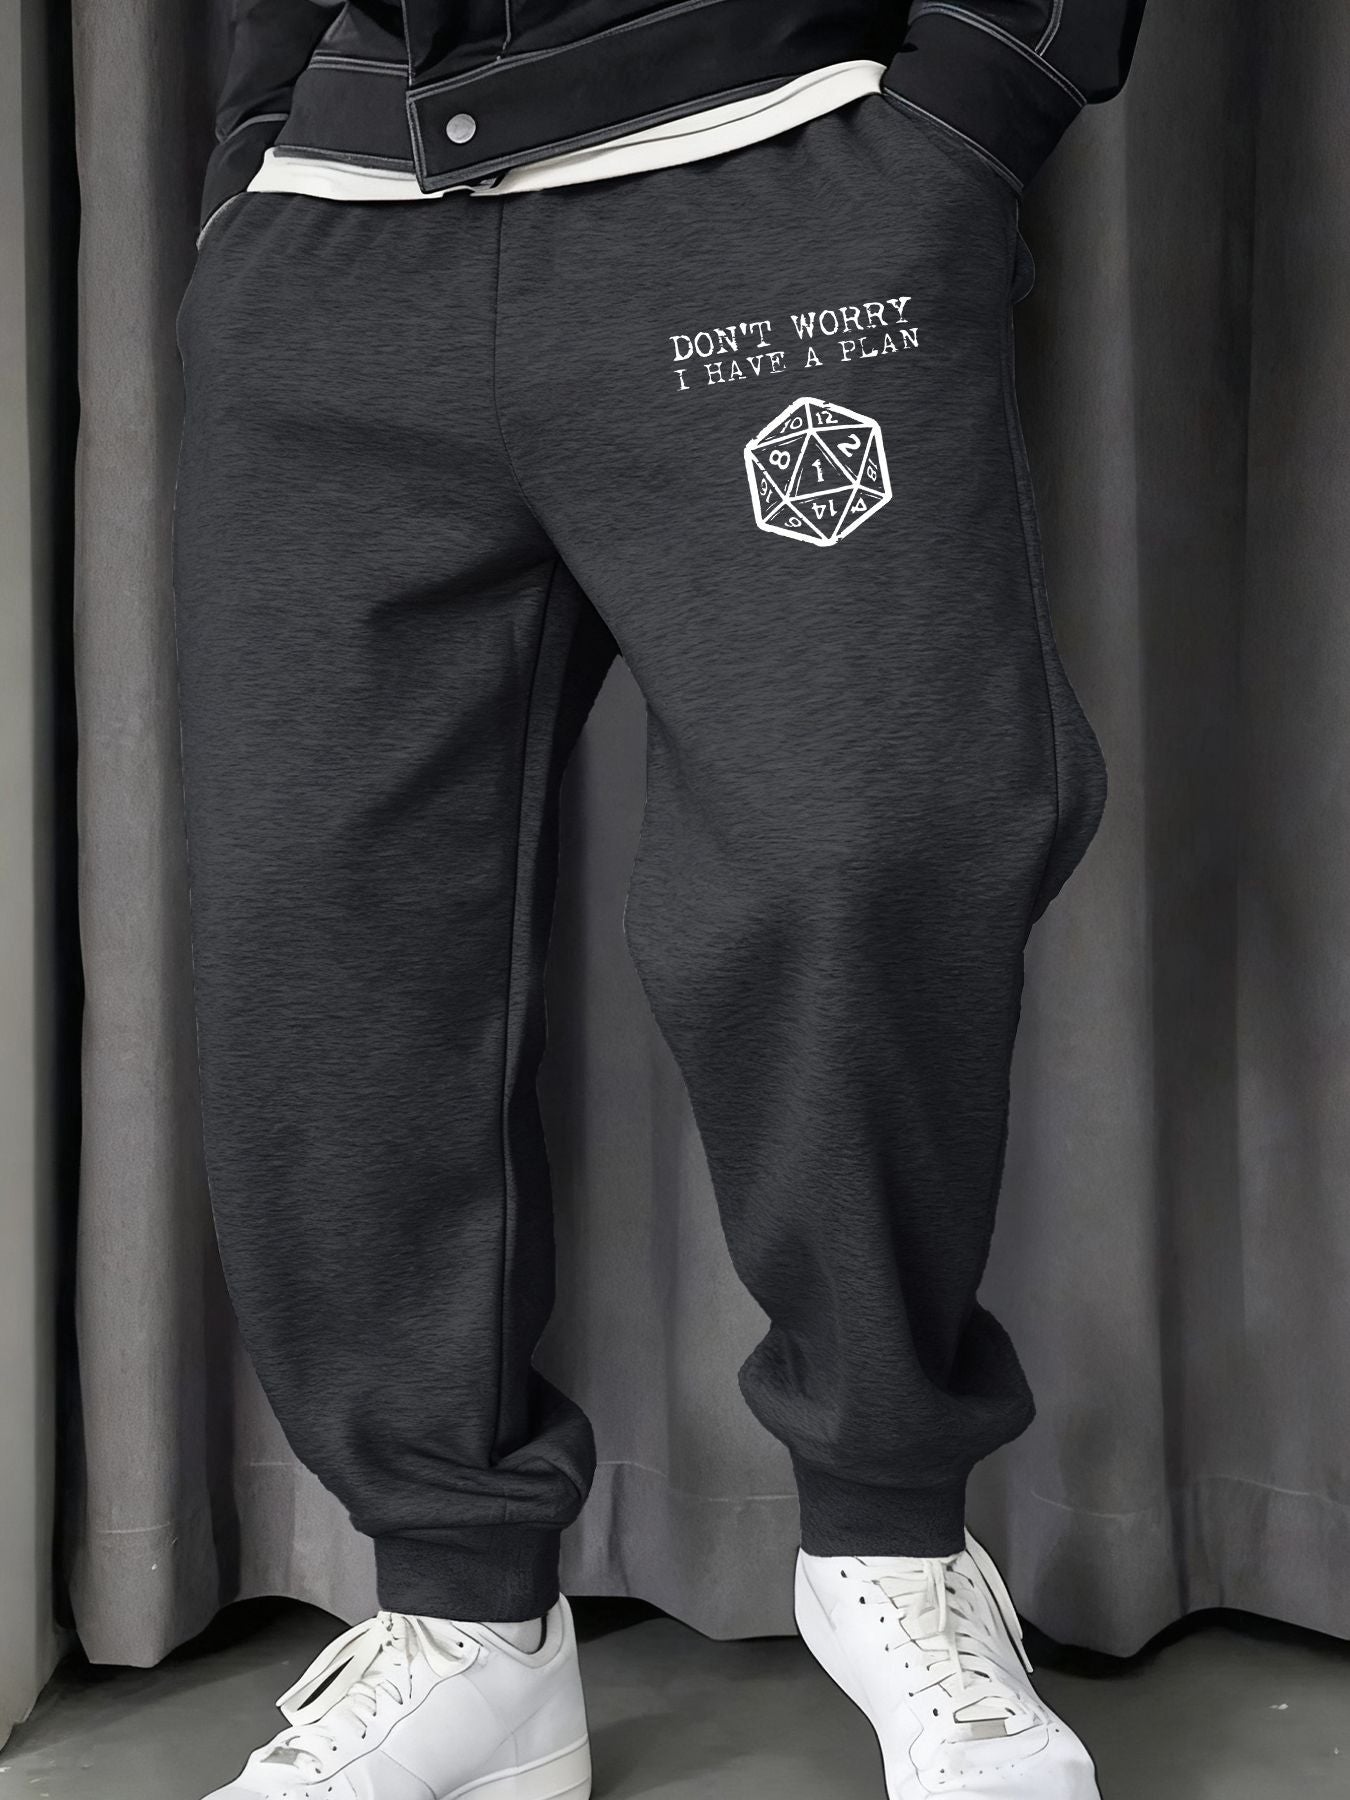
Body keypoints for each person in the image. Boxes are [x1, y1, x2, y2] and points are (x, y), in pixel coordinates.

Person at [174, 2, 1146, 1795]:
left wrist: (981, 89)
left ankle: (891, 1544)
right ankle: (465, 1623)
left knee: (865, 855)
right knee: (318, 938)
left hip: (767, 179)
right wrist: (256, 152)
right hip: (337, 240)